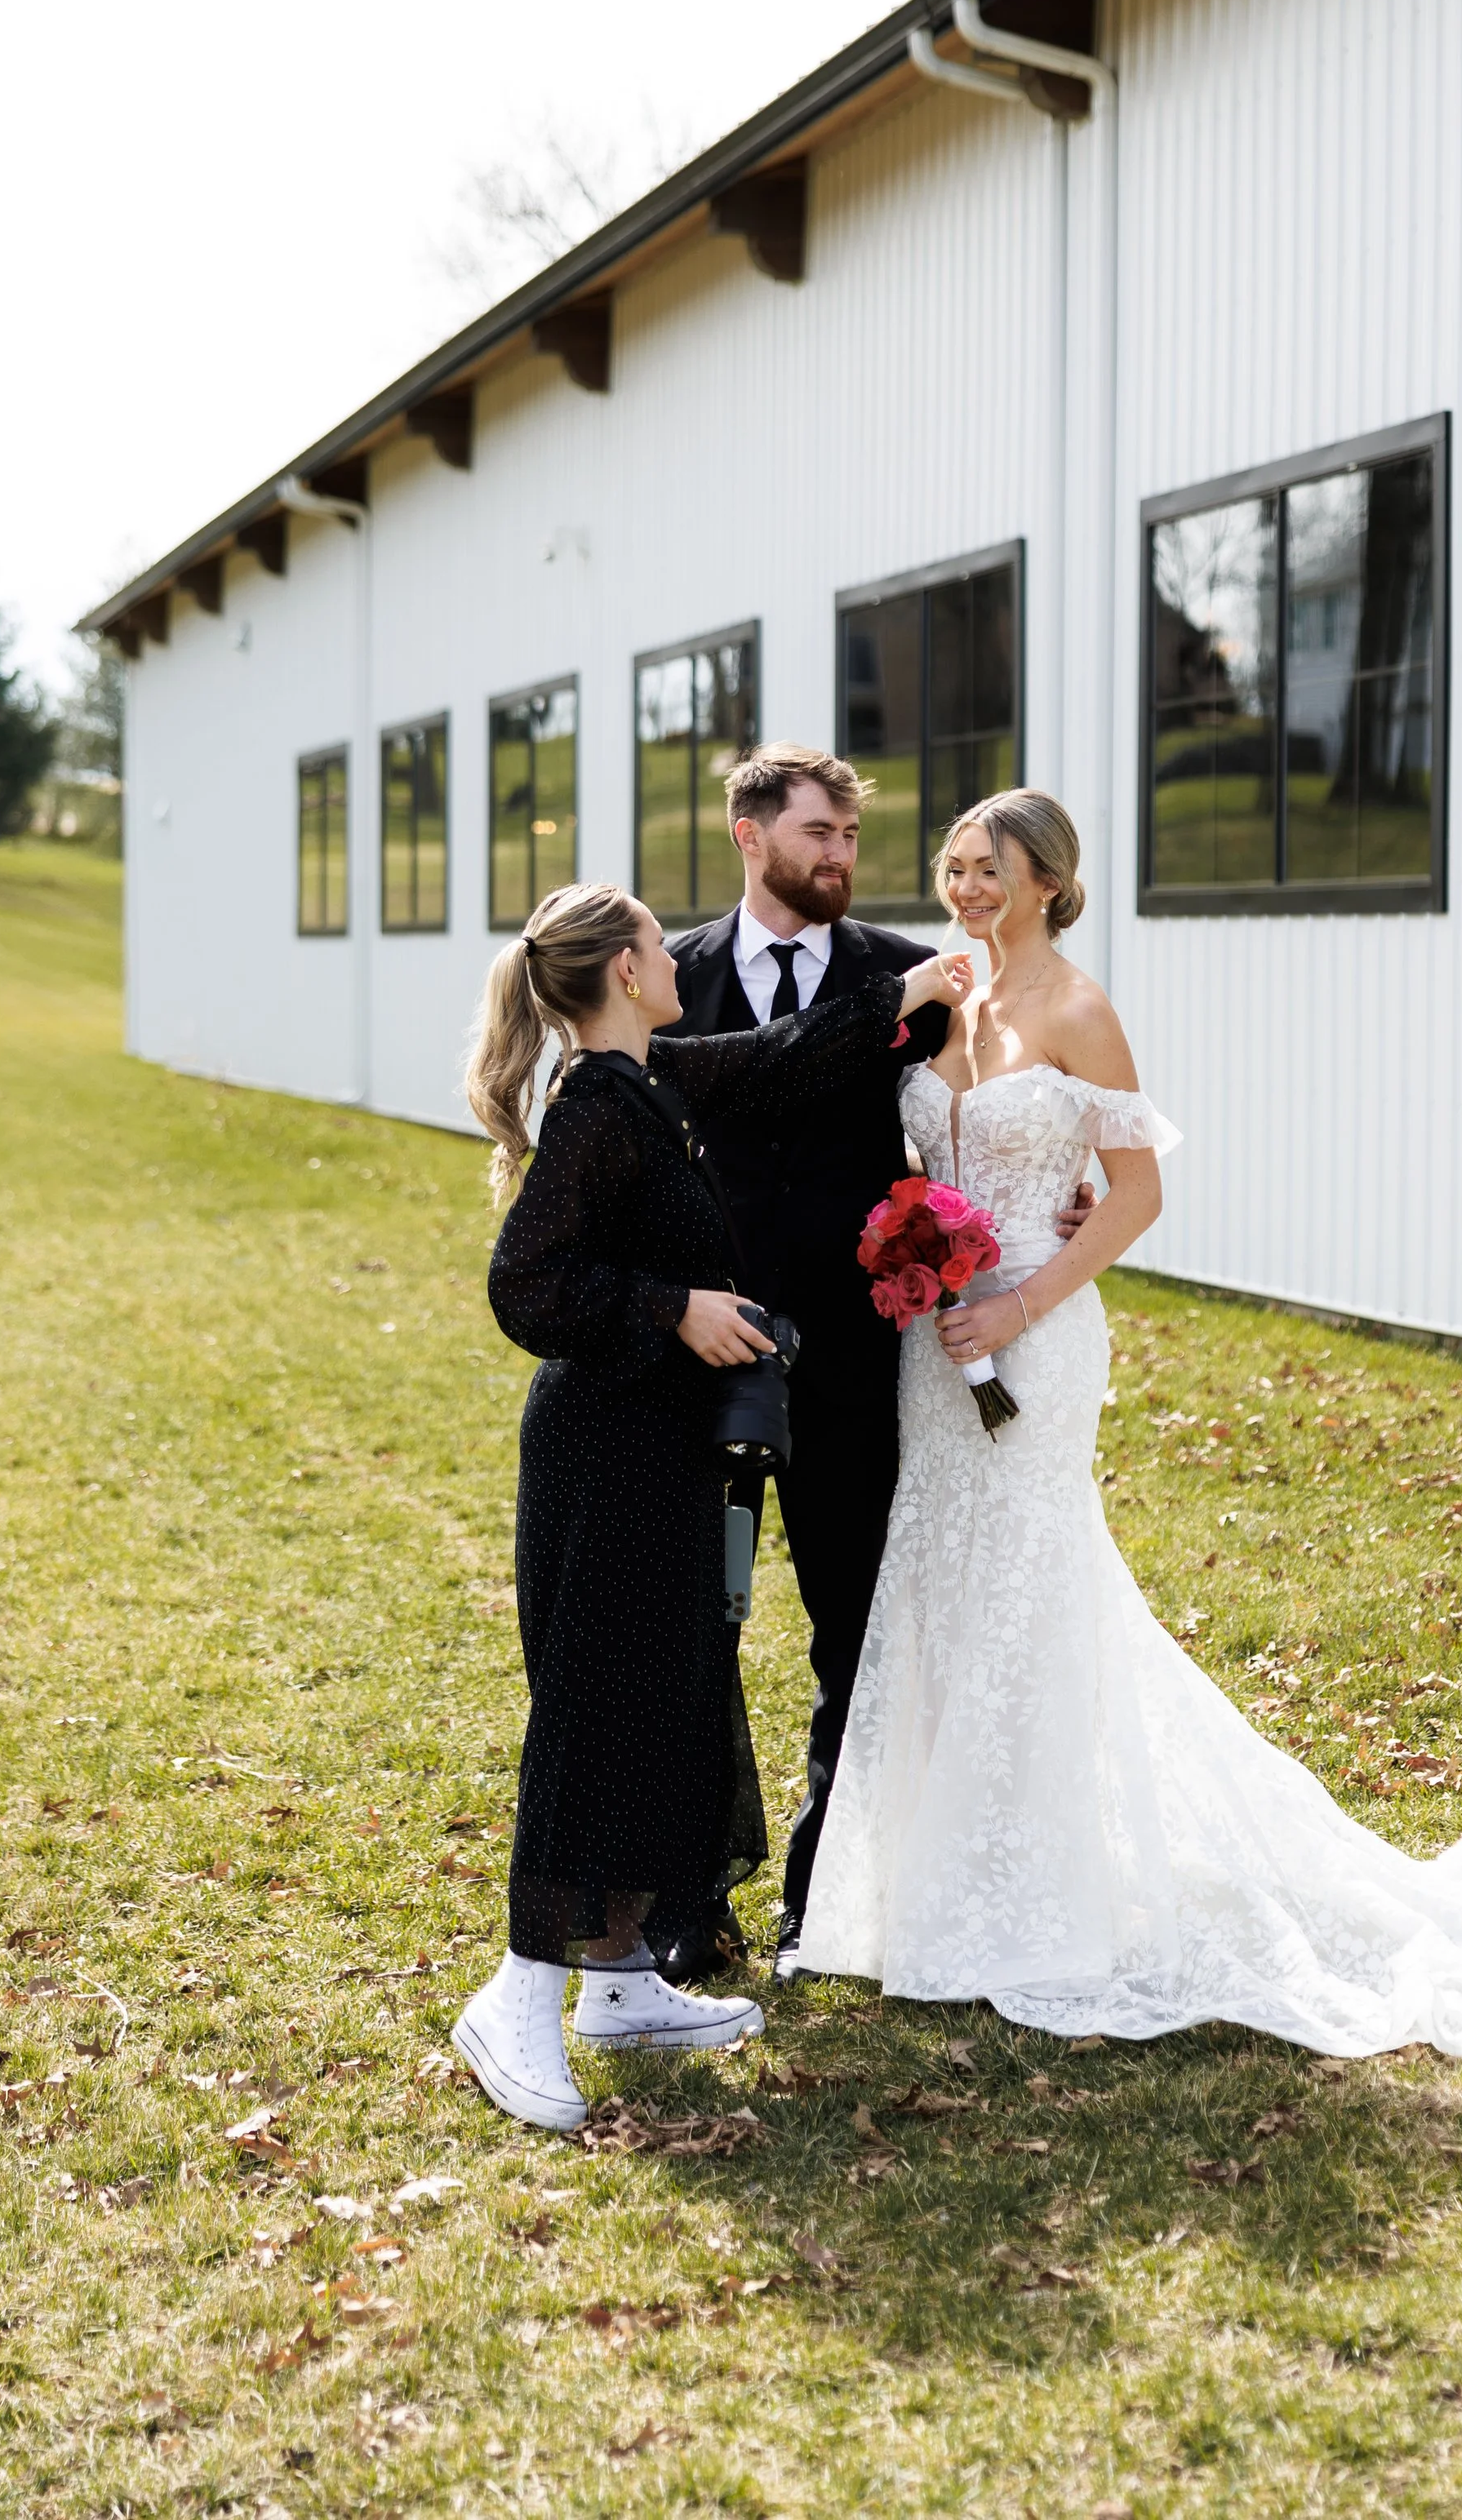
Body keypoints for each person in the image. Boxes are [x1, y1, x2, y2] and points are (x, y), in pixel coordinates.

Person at [796, 790, 1462, 2054]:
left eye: (987, 869)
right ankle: (930, 1889)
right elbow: (905, 1147)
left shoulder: (1079, 1009)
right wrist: (923, 1261)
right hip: (933, 1340)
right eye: (953, 864)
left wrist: (1018, 1304)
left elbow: (1136, 1194)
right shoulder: (935, 996)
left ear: (1047, 883)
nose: (962, 887)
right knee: (942, 1583)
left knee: (1030, 1582)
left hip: (1033, 1328)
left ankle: (1034, 1897)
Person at [450, 876, 968, 2128]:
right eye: (653, 941)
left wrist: (904, 992)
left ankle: (621, 1979)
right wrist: (671, 1308)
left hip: (662, 1446)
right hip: (601, 1451)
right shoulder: (595, 1108)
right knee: (595, 1707)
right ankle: (518, 1996)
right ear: (627, 973)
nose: (677, 954)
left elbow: (781, 1054)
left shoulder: (650, 1081)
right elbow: (525, 1285)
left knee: (670, 1695)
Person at [655, 743, 1088, 1982]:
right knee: (697, 1631)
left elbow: (1002, 1104)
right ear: (750, 836)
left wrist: (1050, 1208)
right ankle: (693, 1897)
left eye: (850, 835)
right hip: (706, 1366)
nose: (839, 856)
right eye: (816, 834)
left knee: (856, 1638)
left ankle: (817, 1901)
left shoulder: (917, 976)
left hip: (859, 1370)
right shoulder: (667, 979)